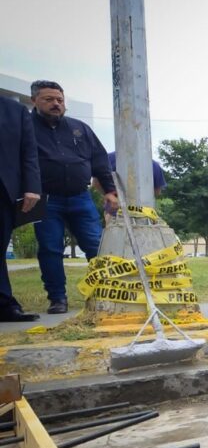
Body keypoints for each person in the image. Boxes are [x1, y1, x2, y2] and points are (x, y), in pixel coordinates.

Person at [29, 80, 119, 315]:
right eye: (49, 99)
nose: (56, 104)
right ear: (34, 101)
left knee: (97, 245)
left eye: (59, 100)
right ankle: (58, 298)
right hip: (45, 200)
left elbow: (100, 160)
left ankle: (107, 292)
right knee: (50, 248)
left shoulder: (80, 128)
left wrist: (109, 190)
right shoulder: (25, 128)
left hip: (81, 197)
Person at [0, 97, 42, 322]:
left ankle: (3, 304)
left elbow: (29, 152)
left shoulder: (15, 111)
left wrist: (32, 187)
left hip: (3, 188)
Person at [98, 152, 165, 222]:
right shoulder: (154, 165)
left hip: (115, 211)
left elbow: (96, 182)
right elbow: (157, 192)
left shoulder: (109, 158)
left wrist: (110, 195)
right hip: (145, 214)